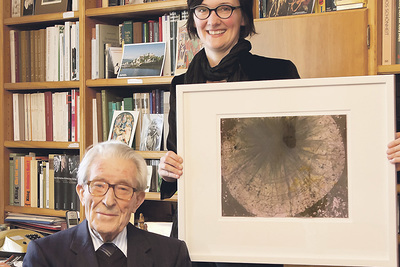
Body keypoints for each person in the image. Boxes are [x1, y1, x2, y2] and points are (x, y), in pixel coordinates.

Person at [158, 0, 299, 266]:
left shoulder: (278, 74)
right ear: (193, 18)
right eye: (202, 9)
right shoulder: (181, 85)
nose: (212, 20)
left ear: (244, 17)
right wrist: (167, 169)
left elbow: (300, 155)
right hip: (197, 232)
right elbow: (176, 156)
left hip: (256, 231)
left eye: (224, 8)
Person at [23, 141, 192, 267]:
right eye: (98, 186)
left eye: (123, 188)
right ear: (82, 193)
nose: (109, 201)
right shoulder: (44, 255)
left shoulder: (172, 256)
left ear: (138, 200)